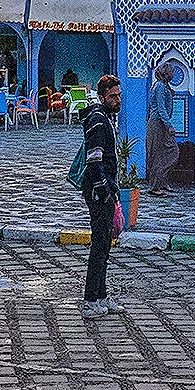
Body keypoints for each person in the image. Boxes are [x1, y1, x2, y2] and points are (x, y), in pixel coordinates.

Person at [78, 75, 125, 319]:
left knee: (105, 244)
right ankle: (89, 300)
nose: (117, 100)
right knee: (99, 245)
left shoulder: (106, 118)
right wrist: (104, 189)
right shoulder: (98, 121)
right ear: (102, 97)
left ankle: (101, 296)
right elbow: (94, 160)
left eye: (118, 95)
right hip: (99, 191)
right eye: (112, 97)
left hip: (107, 189)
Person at [146, 63, 181, 197]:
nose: (173, 75)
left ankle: (162, 180)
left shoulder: (164, 86)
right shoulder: (159, 86)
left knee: (171, 152)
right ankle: (155, 185)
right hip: (157, 123)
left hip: (161, 123)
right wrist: (169, 125)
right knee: (157, 155)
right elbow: (160, 108)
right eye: (172, 72)